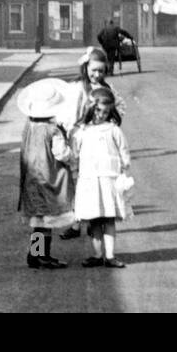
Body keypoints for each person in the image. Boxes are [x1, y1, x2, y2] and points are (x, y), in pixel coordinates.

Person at [59, 47, 126, 240]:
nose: (96, 74)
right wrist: (77, 129)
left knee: (96, 181)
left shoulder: (107, 89)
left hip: (101, 145)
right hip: (82, 141)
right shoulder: (78, 88)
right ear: (85, 67)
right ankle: (77, 222)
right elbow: (68, 115)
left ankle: (94, 220)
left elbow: (119, 105)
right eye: (93, 70)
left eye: (101, 71)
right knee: (79, 181)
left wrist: (111, 121)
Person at [16, 79, 75, 270]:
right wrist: (72, 154)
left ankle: (35, 254)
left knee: (39, 221)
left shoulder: (30, 127)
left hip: (32, 179)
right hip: (49, 179)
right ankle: (42, 255)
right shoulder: (53, 130)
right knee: (46, 221)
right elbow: (61, 154)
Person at [72, 87, 132, 268]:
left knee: (109, 219)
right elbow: (74, 152)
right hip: (90, 181)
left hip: (109, 181)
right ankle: (98, 255)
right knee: (95, 220)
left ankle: (110, 255)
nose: (101, 115)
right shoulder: (83, 131)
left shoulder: (113, 130)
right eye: (98, 110)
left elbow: (124, 151)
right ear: (91, 108)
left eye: (106, 112)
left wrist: (124, 167)